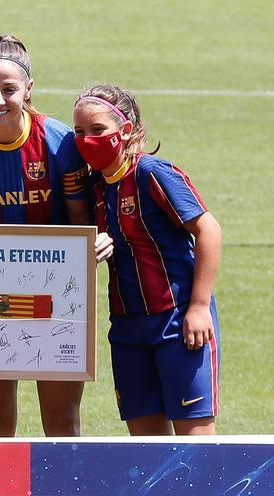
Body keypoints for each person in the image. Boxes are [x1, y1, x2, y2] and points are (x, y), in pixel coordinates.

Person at [0, 34, 113, 437]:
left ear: (28, 89)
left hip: (55, 290)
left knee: (62, 422)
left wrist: (94, 242)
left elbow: (81, 223)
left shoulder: (60, 141)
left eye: (9, 90)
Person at [73, 84, 222, 436]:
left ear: (124, 131)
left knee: (194, 446)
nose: (86, 139)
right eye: (79, 132)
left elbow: (209, 230)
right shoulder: (93, 187)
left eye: (97, 130)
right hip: (126, 329)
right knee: (147, 448)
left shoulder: (152, 173)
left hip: (178, 322)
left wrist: (199, 306)